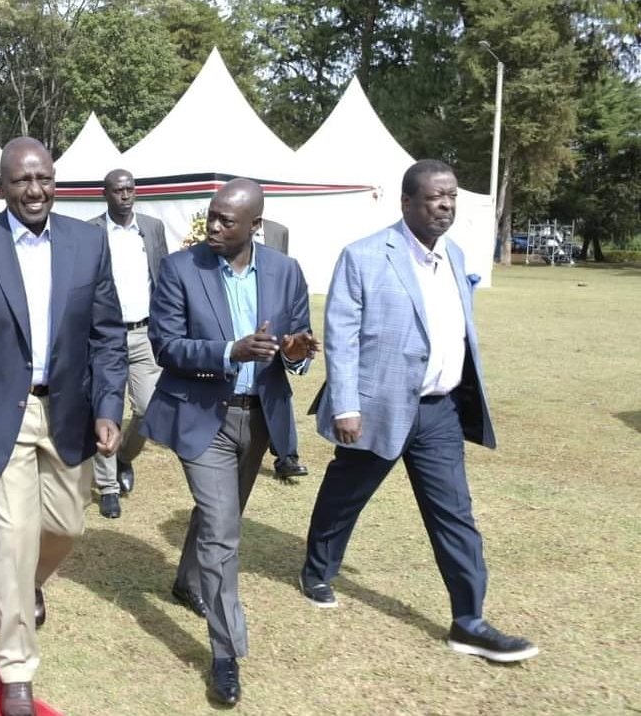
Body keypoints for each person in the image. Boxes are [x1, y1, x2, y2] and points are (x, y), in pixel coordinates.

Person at [300, 159, 538, 663]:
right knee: (345, 497)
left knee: (455, 515)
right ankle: (317, 571)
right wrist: (345, 405)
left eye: (451, 196)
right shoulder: (364, 256)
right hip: (376, 408)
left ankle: (468, 619)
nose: (446, 204)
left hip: (439, 414)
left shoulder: (455, 255)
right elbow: (340, 336)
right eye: (435, 197)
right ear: (406, 202)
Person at [0, 137, 126, 716]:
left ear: (54, 180)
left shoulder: (88, 242)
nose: (33, 190)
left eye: (43, 178)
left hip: (68, 411)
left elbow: (107, 336)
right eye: (21, 181)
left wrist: (109, 406)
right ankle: (16, 665)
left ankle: (26, 583)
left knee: (65, 525)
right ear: (1, 185)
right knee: (12, 538)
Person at [142, 178, 318, 705]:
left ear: (254, 227)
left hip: (260, 418)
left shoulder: (286, 272)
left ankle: (185, 580)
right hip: (203, 419)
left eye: (226, 220)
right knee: (223, 531)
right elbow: (165, 345)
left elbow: (299, 348)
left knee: (221, 515)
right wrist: (229, 351)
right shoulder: (180, 269)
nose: (213, 227)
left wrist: (293, 351)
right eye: (211, 216)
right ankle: (225, 653)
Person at [87, 168, 167, 518]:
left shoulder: (152, 228)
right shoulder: (90, 231)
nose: (125, 195)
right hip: (106, 336)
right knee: (108, 411)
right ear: (105, 193)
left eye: (130, 189)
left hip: (144, 333)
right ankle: (107, 487)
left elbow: (163, 278)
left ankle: (123, 458)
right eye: (118, 190)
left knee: (150, 409)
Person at [257, 218, 308, 483]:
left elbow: (285, 275)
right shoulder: (223, 226)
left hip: (272, 320)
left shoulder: (278, 231)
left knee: (276, 389)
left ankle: (287, 456)